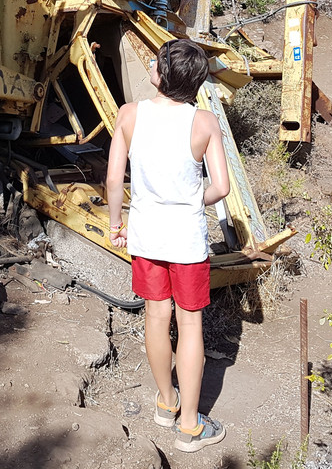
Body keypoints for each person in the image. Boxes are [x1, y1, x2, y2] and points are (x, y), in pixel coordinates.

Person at [105, 38, 231, 453]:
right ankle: (191, 427)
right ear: (196, 82)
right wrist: (194, 199)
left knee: (156, 317)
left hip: (146, 234)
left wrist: (116, 223)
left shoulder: (129, 115)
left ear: (158, 73)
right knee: (190, 324)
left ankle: (166, 402)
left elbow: (113, 180)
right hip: (186, 240)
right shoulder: (205, 123)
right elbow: (221, 187)